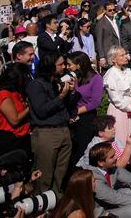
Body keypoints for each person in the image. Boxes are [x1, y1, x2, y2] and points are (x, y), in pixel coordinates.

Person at [27, 52, 73, 196]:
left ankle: (56, 204)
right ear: (50, 66)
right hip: (46, 133)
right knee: (44, 176)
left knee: (60, 174)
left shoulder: (55, 82)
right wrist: (61, 97)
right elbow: (42, 110)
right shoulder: (36, 85)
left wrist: (70, 93)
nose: (64, 67)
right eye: (60, 64)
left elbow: (65, 106)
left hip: (63, 130)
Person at [103, 45, 131, 164]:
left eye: (126, 54)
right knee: (120, 138)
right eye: (122, 55)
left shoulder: (127, 71)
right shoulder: (110, 75)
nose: (126, 57)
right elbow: (117, 100)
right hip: (119, 112)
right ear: (114, 59)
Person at [66, 51, 103, 167]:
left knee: (82, 151)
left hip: (86, 119)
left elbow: (95, 102)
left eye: (69, 64)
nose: (67, 67)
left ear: (79, 64)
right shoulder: (72, 77)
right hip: (71, 119)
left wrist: (76, 112)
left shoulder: (96, 78)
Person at [0, 62, 32, 155]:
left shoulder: (16, 92)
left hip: (20, 138)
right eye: (25, 76)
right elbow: (14, 120)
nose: (26, 79)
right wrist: (30, 107)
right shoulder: (3, 94)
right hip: (8, 141)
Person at [95, 2, 121, 69]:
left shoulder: (116, 21)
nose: (112, 12)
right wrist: (101, 57)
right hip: (107, 53)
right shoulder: (101, 22)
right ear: (105, 11)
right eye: (110, 10)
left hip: (117, 51)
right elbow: (99, 41)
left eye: (113, 10)